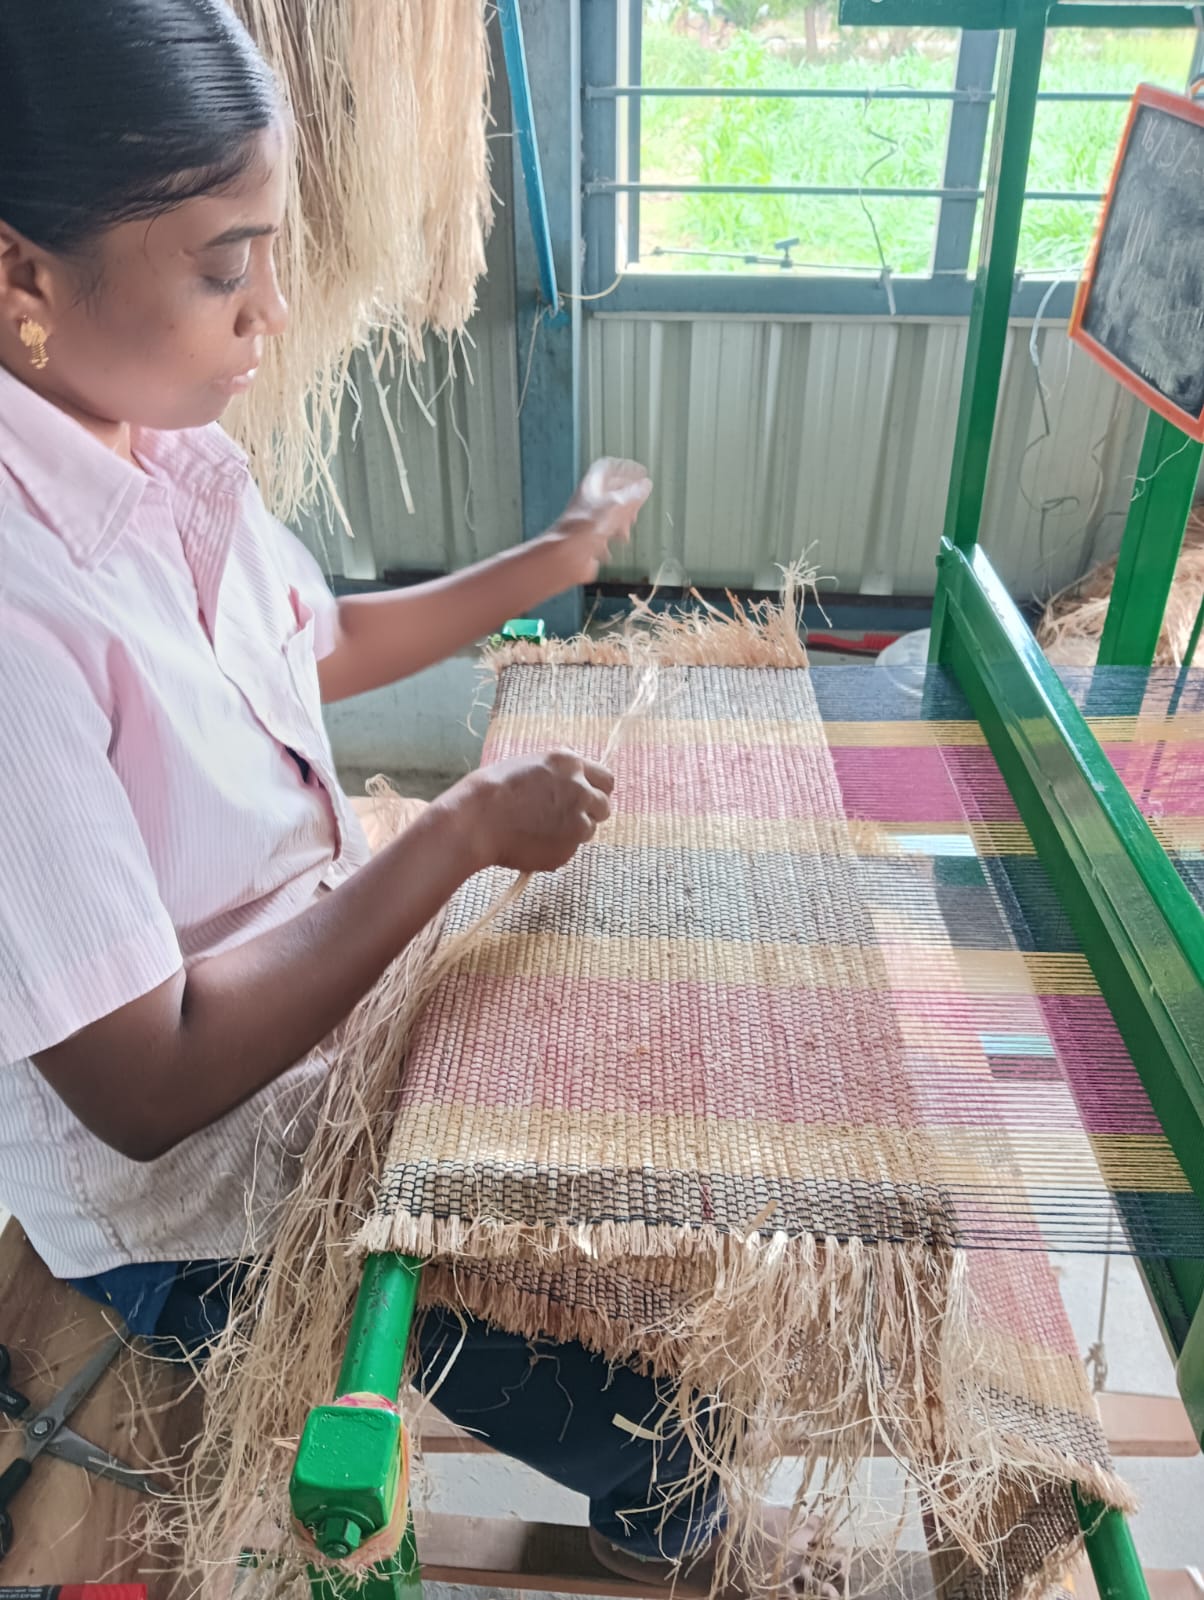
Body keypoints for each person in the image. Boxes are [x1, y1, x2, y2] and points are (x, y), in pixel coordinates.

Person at [0, 5, 839, 1593]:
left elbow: (309, 650)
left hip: (312, 1017)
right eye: (222, 265)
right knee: (592, 1354)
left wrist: (552, 560)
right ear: (25, 274)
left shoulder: (158, 457)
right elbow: (145, 1080)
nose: (273, 310)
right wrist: (455, 835)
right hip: (200, 1194)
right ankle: (685, 1521)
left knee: (637, 1125)